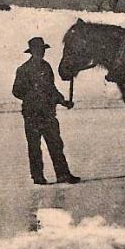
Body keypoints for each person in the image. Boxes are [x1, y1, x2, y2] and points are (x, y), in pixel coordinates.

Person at [12, 37, 80, 185]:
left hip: (48, 113)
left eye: (42, 50)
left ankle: (63, 175)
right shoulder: (23, 70)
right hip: (32, 114)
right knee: (34, 147)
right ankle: (38, 177)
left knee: (56, 144)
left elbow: (52, 89)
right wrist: (33, 96)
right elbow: (16, 91)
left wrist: (63, 101)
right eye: (39, 50)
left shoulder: (46, 67)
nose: (41, 53)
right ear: (33, 51)